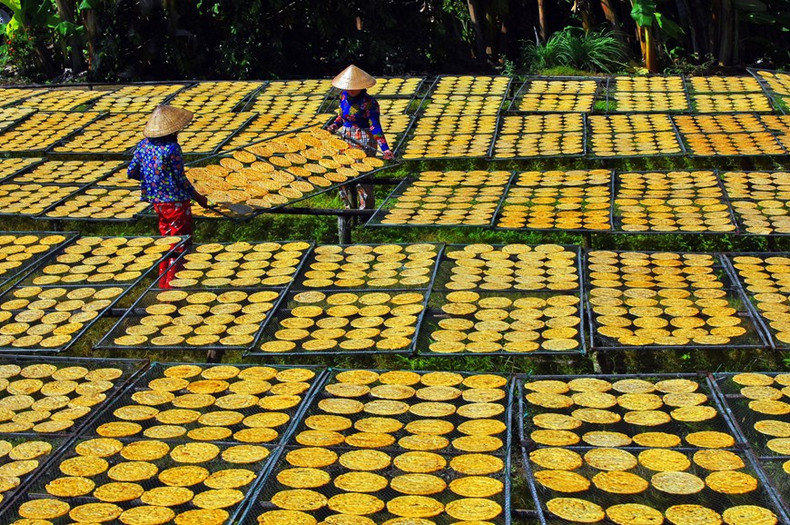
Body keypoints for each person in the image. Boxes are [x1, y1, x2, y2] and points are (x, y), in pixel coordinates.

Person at [127, 104, 208, 288]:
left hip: (158, 204)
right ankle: (172, 287)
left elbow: (131, 172)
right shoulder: (172, 148)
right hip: (176, 204)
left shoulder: (143, 145)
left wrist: (152, 179)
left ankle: (163, 282)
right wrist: (198, 197)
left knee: (167, 240)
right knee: (179, 243)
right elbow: (180, 179)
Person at [327, 64, 395, 210]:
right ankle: (348, 207)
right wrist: (334, 126)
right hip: (345, 137)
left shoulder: (369, 103)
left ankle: (365, 212)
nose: (351, 90)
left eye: (354, 87)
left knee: (362, 176)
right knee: (343, 172)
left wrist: (385, 149)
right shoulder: (343, 96)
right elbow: (341, 117)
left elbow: (375, 126)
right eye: (349, 87)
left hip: (363, 139)